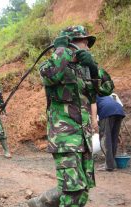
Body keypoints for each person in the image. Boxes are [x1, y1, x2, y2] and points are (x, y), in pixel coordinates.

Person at [39, 25, 114, 206]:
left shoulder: (85, 68)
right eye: (83, 41)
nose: (87, 45)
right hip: (65, 138)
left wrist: (93, 67)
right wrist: (61, 50)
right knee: (73, 192)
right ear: (69, 44)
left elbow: (106, 88)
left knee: (82, 190)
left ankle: (42, 202)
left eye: (87, 41)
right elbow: (51, 75)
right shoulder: (51, 65)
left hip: (84, 138)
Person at [97, 94, 125, 171]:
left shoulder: (91, 95)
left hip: (107, 111)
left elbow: (92, 112)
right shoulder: (106, 94)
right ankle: (111, 164)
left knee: (105, 139)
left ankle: (109, 166)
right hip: (119, 111)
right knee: (113, 138)